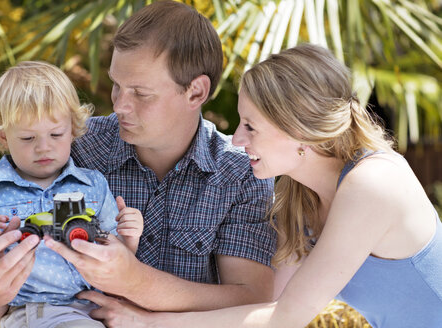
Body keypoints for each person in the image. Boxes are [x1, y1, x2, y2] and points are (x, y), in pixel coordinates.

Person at [76, 43, 442, 327]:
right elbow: (261, 309)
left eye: (250, 126)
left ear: (298, 131)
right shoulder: (302, 200)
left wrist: (147, 322)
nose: (236, 139)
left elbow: (285, 318)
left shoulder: (372, 183)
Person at [0, 0, 277, 323]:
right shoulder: (69, 146)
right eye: (116, 85)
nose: (120, 105)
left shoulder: (242, 173)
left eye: (140, 93)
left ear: (196, 93)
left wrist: (135, 282)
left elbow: (251, 301)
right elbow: (3, 302)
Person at [0, 60, 144, 327]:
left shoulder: (92, 185)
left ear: (73, 130)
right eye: (28, 138)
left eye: (56, 134)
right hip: (24, 312)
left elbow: (116, 258)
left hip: (85, 309)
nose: (44, 148)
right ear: (3, 138)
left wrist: (130, 237)